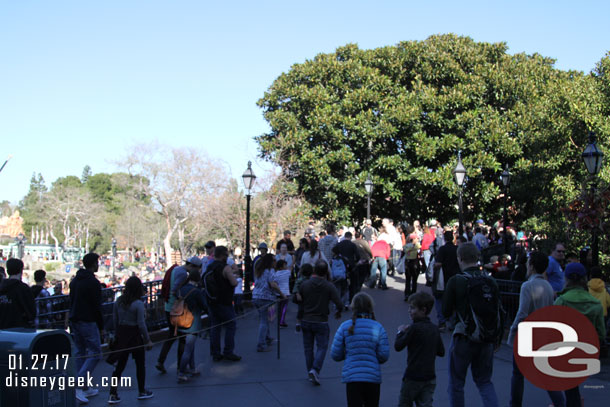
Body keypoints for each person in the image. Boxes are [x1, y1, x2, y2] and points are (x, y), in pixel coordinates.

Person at [442, 243, 499, 407]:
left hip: (464, 335)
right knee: (485, 382)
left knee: (456, 384)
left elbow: (445, 311)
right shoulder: (490, 281)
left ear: (459, 258)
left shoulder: (457, 281)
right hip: (486, 337)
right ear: (477, 257)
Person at [506, 251, 566, 407]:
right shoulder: (548, 286)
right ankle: (560, 403)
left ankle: (515, 404)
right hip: (543, 334)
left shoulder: (527, 286)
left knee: (518, 374)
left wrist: (512, 332)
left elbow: (522, 313)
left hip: (527, 335)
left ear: (531, 266)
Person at [555, 262, 606, 406]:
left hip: (565, 351)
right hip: (586, 352)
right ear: (585, 279)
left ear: (566, 279)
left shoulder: (561, 301)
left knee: (569, 388)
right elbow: (601, 333)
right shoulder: (596, 304)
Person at [331, 292, 389, 406]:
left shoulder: (344, 327)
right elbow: (383, 356)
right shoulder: (378, 327)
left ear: (353, 307)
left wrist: (348, 354)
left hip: (353, 377)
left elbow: (335, 355)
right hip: (372, 377)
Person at [108, 276, 154, 403]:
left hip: (122, 334)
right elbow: (141, 324)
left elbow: (115, 320)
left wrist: (116, 335)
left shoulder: (118, 301)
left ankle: (113, 393)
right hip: (134, 335)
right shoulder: (138, 304)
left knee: (119, 366)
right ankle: (141, 390)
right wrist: (147, 339)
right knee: (140, 364)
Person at [395, 292, 445, 407]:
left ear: (423, 310)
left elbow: (398, 346)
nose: (409, 311)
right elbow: (441, 352)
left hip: (413, 376)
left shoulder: (414, 328)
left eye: (412, 308)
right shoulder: (434, 329)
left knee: (405, 403)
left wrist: (400, 332)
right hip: (429, 376)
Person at [299, 260, 343, 385]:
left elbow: (299, 300)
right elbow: (339, 303)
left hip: (306, 319)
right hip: (321, 320)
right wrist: (338, 311)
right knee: (322, 347)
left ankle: (310, 371)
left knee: (308, 348)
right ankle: (315, 369)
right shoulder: (329, 286)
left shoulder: (305, 284)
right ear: (326, 272)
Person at [156, 256, 202, 373]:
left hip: (169, 307)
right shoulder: (182, 274)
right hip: (176, 309)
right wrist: (182, 297)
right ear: (192, 266)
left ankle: (161, 361)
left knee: (172, 336)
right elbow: (175, 289)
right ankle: (181, 367)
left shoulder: (176, 269)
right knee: (182, 337)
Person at [69, 253, 104, 404]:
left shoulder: (75, 281)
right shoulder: (93, 283)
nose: (98, 265)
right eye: (97, 262)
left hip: (75, 319)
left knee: (80, 352)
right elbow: (97, 307)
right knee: (95, 353)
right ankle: (78, 385)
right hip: (88, 321)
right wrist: (101, 326)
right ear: (93, 264)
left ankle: (83, 386)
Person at [203, 246, 241, 362]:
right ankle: (228, 351)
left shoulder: (210, 267)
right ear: (223, 255)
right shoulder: (225, 268)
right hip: (225, 302)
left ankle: (215, 353)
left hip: (212, 301)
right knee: (231, 325)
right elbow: (234, 283)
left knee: (215, 327)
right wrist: (233, 276)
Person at [176, 268, 208, 383]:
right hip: (193, 323)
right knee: (189, 349)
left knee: (190, 347)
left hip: (180, 321)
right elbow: (204, 306)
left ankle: (192, 368)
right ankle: (181, 372)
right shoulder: (196, 291)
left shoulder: (181, 289)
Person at [252, 254, 286, 352]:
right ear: (270, 262)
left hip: (256, 297)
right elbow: (273, 284)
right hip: (265, 298)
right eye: (274, 260)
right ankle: (261, 344)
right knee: (264, 321)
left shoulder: (260, 270)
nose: (276, 262)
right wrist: (281, 294)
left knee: (264, 319)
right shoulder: (270, 271)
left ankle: (266, 338)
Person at [0, 258, 36, 329]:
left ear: (7, 271)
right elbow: (32, 312)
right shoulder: (23, 289)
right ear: (21, 270)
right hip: (19, 329)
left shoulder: (1, 287)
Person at [334, 231, 361, 302]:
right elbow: (358, 256)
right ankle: (351, 298)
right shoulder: (352, 245)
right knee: (353, 283)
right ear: (351, 237)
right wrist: (355, 261)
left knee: (340, 284)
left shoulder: (339, 244)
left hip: (341, 265)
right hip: (351, 265)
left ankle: (340, 298)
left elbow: (333, 250)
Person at [293, 263, 314, 333]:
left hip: (306, 297)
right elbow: (296, 287)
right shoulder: (301, 279)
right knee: (301, 310)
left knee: (302, 310)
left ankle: (301, 322)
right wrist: (298, 294)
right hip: (303, 297)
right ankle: (298, 323)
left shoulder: (309, 279)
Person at [403, 236, 420, 302]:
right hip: (415, 262)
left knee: (408, 279)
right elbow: (420, 251)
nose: (417, 239)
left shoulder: (406, 246)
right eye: (416, 238)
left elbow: (404, 252)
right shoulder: (417, 245)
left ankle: (407, 294)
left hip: (407, 262)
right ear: (413, 239)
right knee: (414, 280)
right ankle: (413, 295)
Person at [274, 259, 291, 327]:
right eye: (285, 265)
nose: (286, 266)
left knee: (279, 308)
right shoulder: (287, 272)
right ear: (281, 267)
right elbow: (291, 270)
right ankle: (282, 321)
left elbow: (275, 282)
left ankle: (279, 320)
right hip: (285, 293)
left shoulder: (276, 274)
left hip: (278, 293)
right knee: (284, 308)